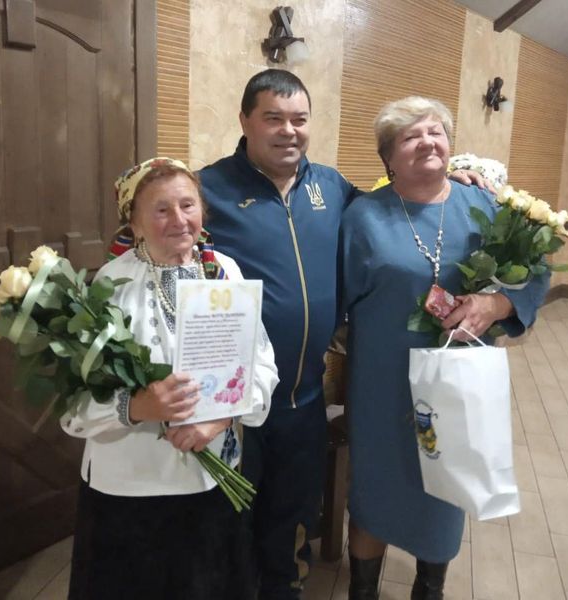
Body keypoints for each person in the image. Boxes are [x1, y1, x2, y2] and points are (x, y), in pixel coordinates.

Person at [108, 69, 488, 599]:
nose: (288, 130)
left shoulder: (331, 187)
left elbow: (398, 205)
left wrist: (454, 175)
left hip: (304, 397)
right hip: (230, 400)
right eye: (273, 118)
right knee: (230, 522)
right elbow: (144, 244)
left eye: (299, 119)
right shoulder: (208, 189)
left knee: (291, 522)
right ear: (245, 121)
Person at [338, 96, 549, 600]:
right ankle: (363, 591)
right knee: (375, 487)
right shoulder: (363, 216)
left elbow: (534, 270)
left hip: (456, 381)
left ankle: (429, 588)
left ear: (450, 145)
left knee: (446, 482)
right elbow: (338, 296)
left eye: (435, 132)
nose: (426, 142)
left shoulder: (485, 205)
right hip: (382, 382)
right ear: (389, 157)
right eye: (410, 136)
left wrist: (496, 304)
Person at [62, 157, 279, 600]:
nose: (179, 220)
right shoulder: (108, 287)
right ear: (135, 224)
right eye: (161, 210)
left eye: (188, 205)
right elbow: (73, 407)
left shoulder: (224, 272)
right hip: (127, 490)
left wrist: (218, 419)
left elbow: (261, 367)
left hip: (210, 482)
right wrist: (137, 406)